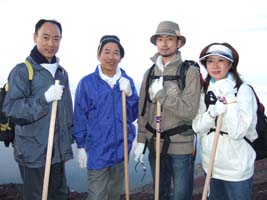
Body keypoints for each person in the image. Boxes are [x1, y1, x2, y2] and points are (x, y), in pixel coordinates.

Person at [3, 19, 73, 200]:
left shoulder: (62, 73)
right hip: (32, 155)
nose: (51, 44)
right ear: (35, 37)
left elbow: (66, 114)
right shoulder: (22, 71)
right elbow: (12, 109)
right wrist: (44, 99)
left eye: (56, 39)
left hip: (57, 154)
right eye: (46, 37)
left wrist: (68, 148)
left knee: (59, 196)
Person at [135, 21, 201, 200]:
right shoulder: (149, 73)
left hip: (181, 146)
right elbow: (144, 110)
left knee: (181, 195)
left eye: (170, 39)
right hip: (155, 143)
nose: (164, 43)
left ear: (178, 43)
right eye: (160, 39)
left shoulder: (189, 72)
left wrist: (162, 95)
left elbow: (189, 111)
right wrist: (141, 140)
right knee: (160, 193)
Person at [73, 35, 139, 200]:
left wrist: (130, 95)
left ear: (121, 57)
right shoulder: (87, 83)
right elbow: (79, 116)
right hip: (97, 150)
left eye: (116, 53)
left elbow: (132, 115)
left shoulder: (127, 81)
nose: (111, 57)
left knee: (114, 194)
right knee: (96, 196)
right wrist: (80, 146)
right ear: (98, 55)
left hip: (121, 149)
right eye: (106, 52)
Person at [192, 42, 258, 200]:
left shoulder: (243, 91)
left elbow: (237, 132)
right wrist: (212, 114)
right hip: (211, 166)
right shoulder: (204, 91)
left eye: (221, 60)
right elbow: (197, 127)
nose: (215, 65)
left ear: (230, 64)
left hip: (237, 169)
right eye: (210, 61)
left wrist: (230, 100)